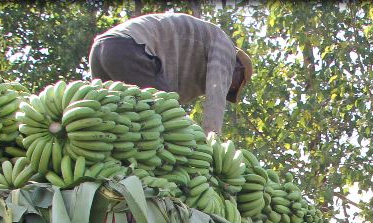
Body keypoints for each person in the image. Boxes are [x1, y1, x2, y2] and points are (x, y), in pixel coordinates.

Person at [88, 12, 252, 135]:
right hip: (130, 48)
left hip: (102, 50)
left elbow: (170, 95)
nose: (229, 87)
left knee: (112, 126)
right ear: (238, 68)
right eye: (235, 85)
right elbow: (215, 98)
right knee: (172, 124)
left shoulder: (190, 62)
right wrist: (211, 144)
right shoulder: (226, 48)